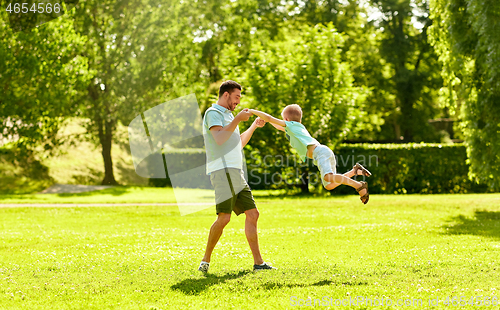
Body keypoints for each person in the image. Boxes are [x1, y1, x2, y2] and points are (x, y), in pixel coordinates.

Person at [199, 80, 276, 273]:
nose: (238, 102)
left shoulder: (229, 116)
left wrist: (252, 127)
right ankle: (205, 261)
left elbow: (237, 143)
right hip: (222, 171)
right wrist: (237, 120)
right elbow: (219, 139)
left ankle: (258, 263)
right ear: (226, 95)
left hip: (235, 172)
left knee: (253, 214)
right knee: (224, 218)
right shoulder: (213, 113)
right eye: (236, 97)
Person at [249, 104, 371, 204]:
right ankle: (354, 171)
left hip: (320, 153)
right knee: (329, 185)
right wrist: (265, 121)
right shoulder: (295, 127)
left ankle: (359, 185)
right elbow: (276, 125)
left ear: (286, 120)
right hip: (322, 152)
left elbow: (270, 118)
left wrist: (253, 111)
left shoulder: (292, 126)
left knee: (327, 177)